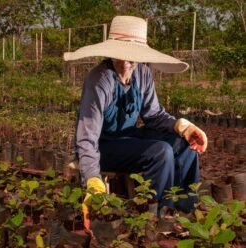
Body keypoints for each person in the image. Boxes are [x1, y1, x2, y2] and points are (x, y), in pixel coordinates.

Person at [64, 15, 208, 229]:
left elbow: (154, 115)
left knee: (183, 145)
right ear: (110, 54)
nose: (126, 62)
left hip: (129, 137)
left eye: (132, 57)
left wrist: (183, 127)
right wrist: (92, 180)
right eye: (120, 56)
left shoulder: (143, 73)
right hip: (104, 146)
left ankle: (183, 208)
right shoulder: (99, 81)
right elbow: (86, 139)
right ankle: (156, 215)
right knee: (160, 151)